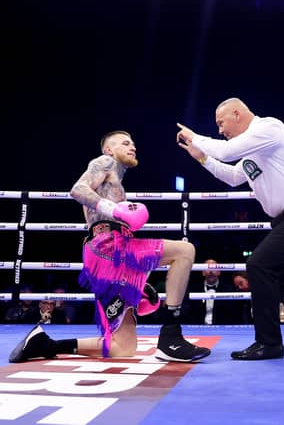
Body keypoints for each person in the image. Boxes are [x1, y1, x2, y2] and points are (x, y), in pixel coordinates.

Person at [9, 130, 210, 364]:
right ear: (108, 149)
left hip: (113, 251)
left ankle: (45, 344)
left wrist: (138, 280)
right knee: (184, 252)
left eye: (133, 143)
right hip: (108, 246)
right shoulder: (104, 162)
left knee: (122, 348)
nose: (132, 146)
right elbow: (77, 189)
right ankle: (171, 335)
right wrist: (113, 209)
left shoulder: (116, 183)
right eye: (125, 143)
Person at [177, 98, 284, 360]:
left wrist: (196, 137)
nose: (220, 129)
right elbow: (233, 176)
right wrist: (202, 157)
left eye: (221, 122)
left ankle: (269, 343)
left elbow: (226, 151)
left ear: (237, 114)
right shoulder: (253, 150)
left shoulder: (268, 128)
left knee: (259, 266)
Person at [189, 258, 243, 325]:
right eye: (208, 268)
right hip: (198, 328)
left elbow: (234, 313)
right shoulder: (194, 289)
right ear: (203, 272)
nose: (211, 271)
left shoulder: (228, 290)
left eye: (214, 268)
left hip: (222, 328)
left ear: (219, 272)